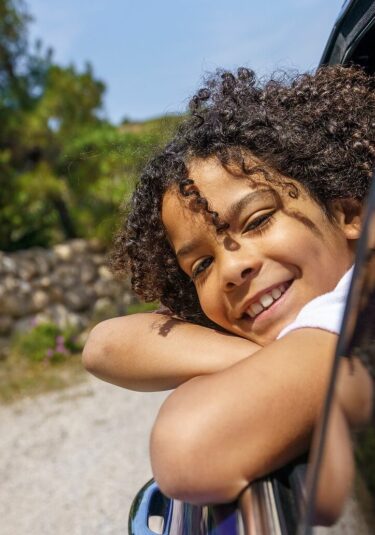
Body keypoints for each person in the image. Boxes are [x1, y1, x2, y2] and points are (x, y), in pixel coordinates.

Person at [83, 66, 374, 506]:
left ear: (350, 215)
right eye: (201, 265)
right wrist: (266, 357)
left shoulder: (353, 302)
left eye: (258, 220)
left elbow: (188, 448)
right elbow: (102, 345)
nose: (232, 269)